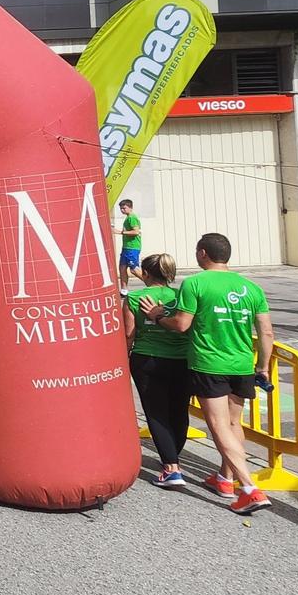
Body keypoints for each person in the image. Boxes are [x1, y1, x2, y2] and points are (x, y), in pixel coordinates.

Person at [138, 233, 275, 516]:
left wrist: (155, 317)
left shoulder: (195, 283)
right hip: (242, 364)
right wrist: (263, 366)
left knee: (219, 426)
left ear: (202, 253)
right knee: (235, 424)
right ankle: (225, 480)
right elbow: (266, 331)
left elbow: (181, 325)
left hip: (209, 363)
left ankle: (250, 489)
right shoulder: (251, 287)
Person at [122, 254, 191, 487]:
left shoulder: (134, 298)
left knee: (156, 412)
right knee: (179, 410)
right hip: (182, 359)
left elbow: (129, 335)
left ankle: (171, 467)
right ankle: (174, 454)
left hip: (147, 358)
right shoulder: (181, 296)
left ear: (146, 274)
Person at [115, 199, 142, 289]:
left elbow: (136, 232)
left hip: (132, 247)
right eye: (121, 208)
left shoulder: (132, 218)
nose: (122, 210)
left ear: (130, 207)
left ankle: (151, 283)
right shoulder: (127, 218)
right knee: (122, 268)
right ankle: (124, 290)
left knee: (134, 269)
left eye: (124, 208)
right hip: (126, 248)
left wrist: (121, 232)